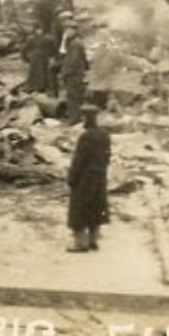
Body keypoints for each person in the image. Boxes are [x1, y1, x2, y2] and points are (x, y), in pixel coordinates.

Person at [66, 102, 110, 252]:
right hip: (100, 176)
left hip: (85, 178)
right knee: (96, 207)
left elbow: (79, 160)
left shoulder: (85, 137)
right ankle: (93, 240)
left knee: (79, 208)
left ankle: (80, 243)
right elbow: (107, 156)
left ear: (86, 119)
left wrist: (72, 178)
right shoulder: (104, 135)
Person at [59, 20, 90, 124]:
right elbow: (84, 59)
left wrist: (64, 73)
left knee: (72, 97)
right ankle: (79, 117)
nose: (66, 32)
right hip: (78, 73)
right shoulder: (77, 42)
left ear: (74, 30)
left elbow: (72, 61)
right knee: (77, 96)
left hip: (73, 74)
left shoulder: (74, 44)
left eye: (68, 30)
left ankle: (74, 119)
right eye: (66, 30)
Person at [20, 28, 55, 94]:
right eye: (38, 29)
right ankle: (31, 87)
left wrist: (51, 56)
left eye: (41, 29)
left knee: (43, 72)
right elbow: (24, 48)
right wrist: (25, 58)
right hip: (35, 58)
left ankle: (42, 87)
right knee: (33, 72)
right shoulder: (31, 38)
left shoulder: (47, 38)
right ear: (35, 30)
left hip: (44, 57)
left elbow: (52, 48)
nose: (39, 31)